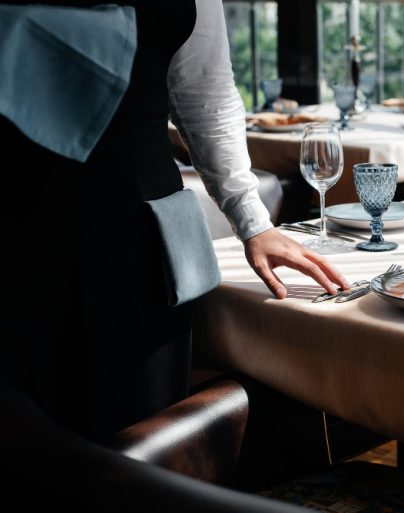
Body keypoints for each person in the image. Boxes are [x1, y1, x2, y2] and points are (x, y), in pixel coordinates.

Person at [0, 0, 348, 440]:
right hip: (16, 222)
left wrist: (254, 222)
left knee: (141, 429)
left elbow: (206, 96)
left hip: (141, 235)